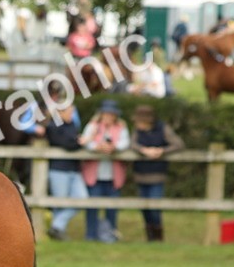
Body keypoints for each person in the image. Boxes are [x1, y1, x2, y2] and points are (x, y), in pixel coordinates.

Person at [21, 85, 84, 241]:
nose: (54, 97)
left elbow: (76, 124)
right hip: (40, 147)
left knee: (72, 198)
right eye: (52, 94)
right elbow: (22, 123)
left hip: (62, 153)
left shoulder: (67, 107)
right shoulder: (35, 106)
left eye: (56, 94)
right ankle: (56, 230)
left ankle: (56, 227)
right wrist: (35, 129)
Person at [130, 105, 185, 242]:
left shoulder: (163, 129)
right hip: (141, 174)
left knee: (155, 208)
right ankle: (149, 237)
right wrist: (143, 150)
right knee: (144, 209)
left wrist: (162, 151)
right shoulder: (137, 131)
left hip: (157, 174)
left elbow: (178, 144)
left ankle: (158, 237)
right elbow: (131, 144)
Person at [79, 99, 130, 243]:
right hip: (94, 175)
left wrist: (113, 147)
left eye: (111, 114)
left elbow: (125, 143)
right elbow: (85, 142)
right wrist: (97, 147)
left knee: (112, 208)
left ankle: (110, 235)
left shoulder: (121, 127)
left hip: (113, 176)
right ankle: (91, 235)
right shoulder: (92, 126)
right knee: (92, 207)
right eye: (106, 114)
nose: (108, 117)